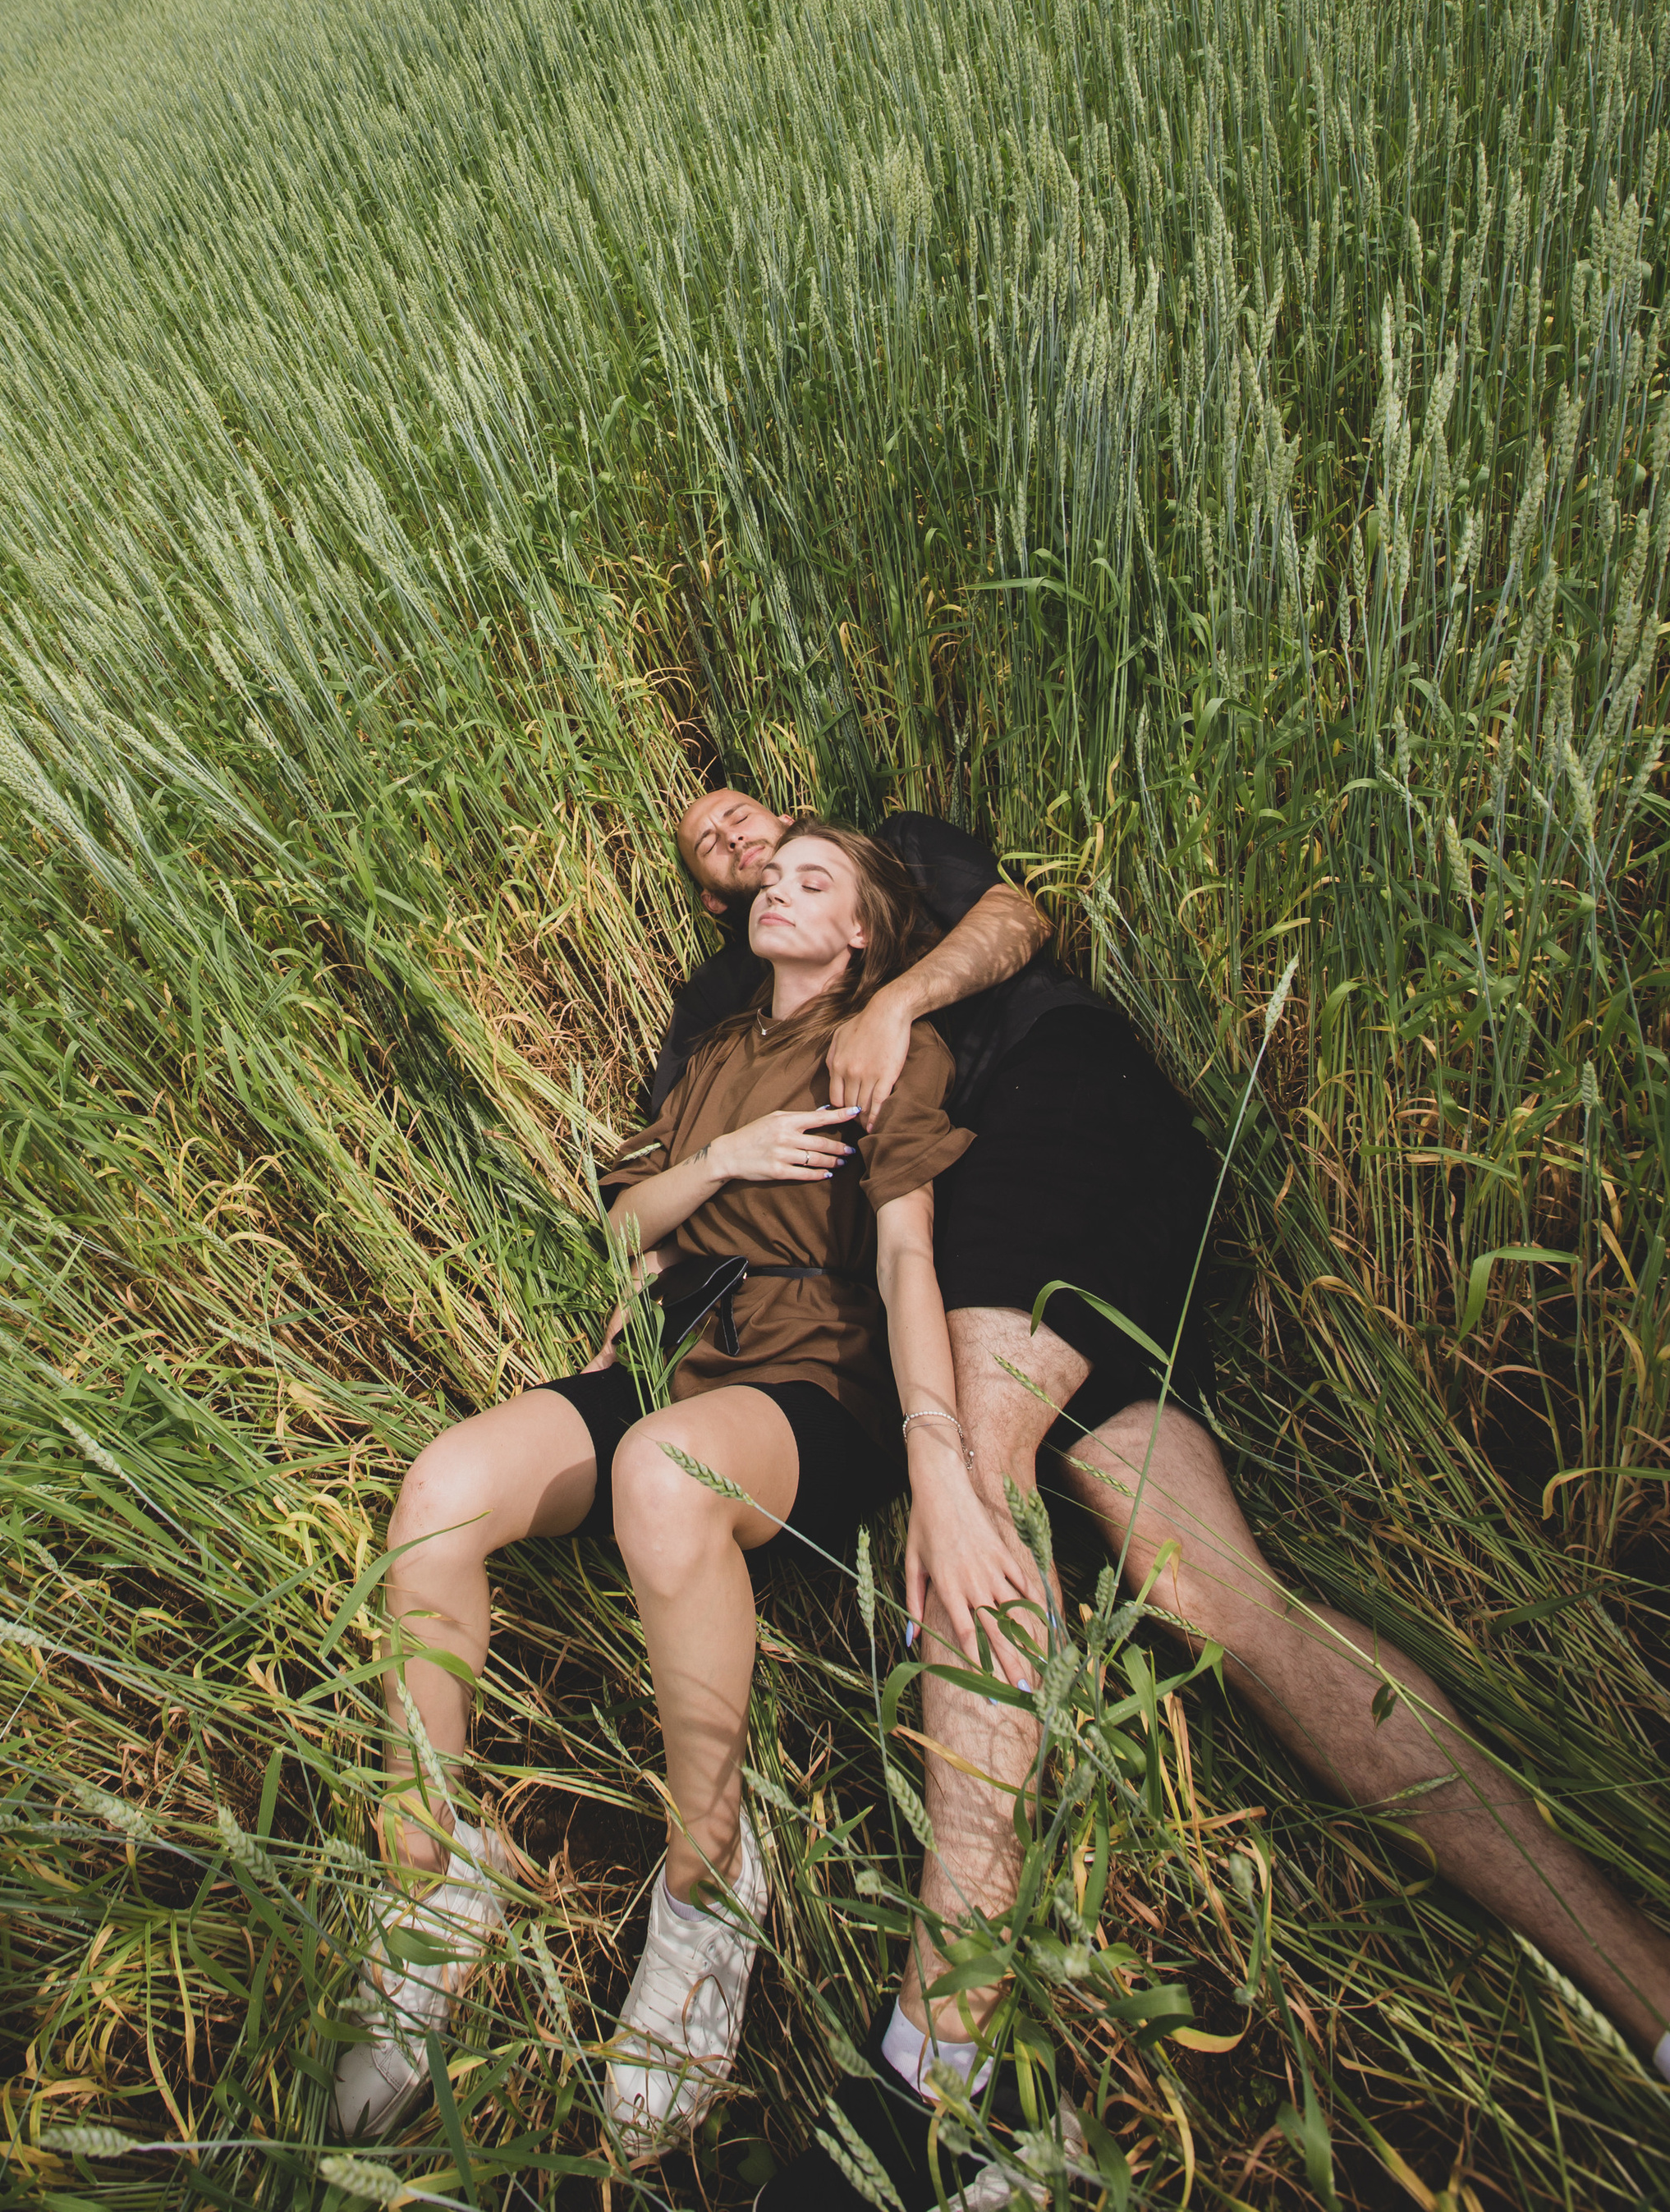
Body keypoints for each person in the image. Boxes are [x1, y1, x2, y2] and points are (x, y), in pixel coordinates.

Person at [664, 789, 1670, 2207]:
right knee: (1217, 1597)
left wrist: (901, 1007)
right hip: (982, 1218)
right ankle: (1643, 1980)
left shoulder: (896, 876)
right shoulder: (724, 1004)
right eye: (708, 845)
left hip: (1048, 1120)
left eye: (753, 820)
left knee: (976, 1461)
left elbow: (1018, 918)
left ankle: (943, 2071)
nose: (738, 841)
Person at [332, 825, 999, 2164]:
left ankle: (709, 1884)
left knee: (661, 1469)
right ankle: (432, 1884)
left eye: (816, 882)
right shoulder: (713, 1058)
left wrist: (944, 1455)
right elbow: (625, 1228)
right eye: (772, 875)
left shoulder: (884, 1047)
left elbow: (913, 1255)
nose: (779, 889)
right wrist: (729, 1159)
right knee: (440, 1492)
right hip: (671, 1345)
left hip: (812, 1380)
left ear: (865, 933)